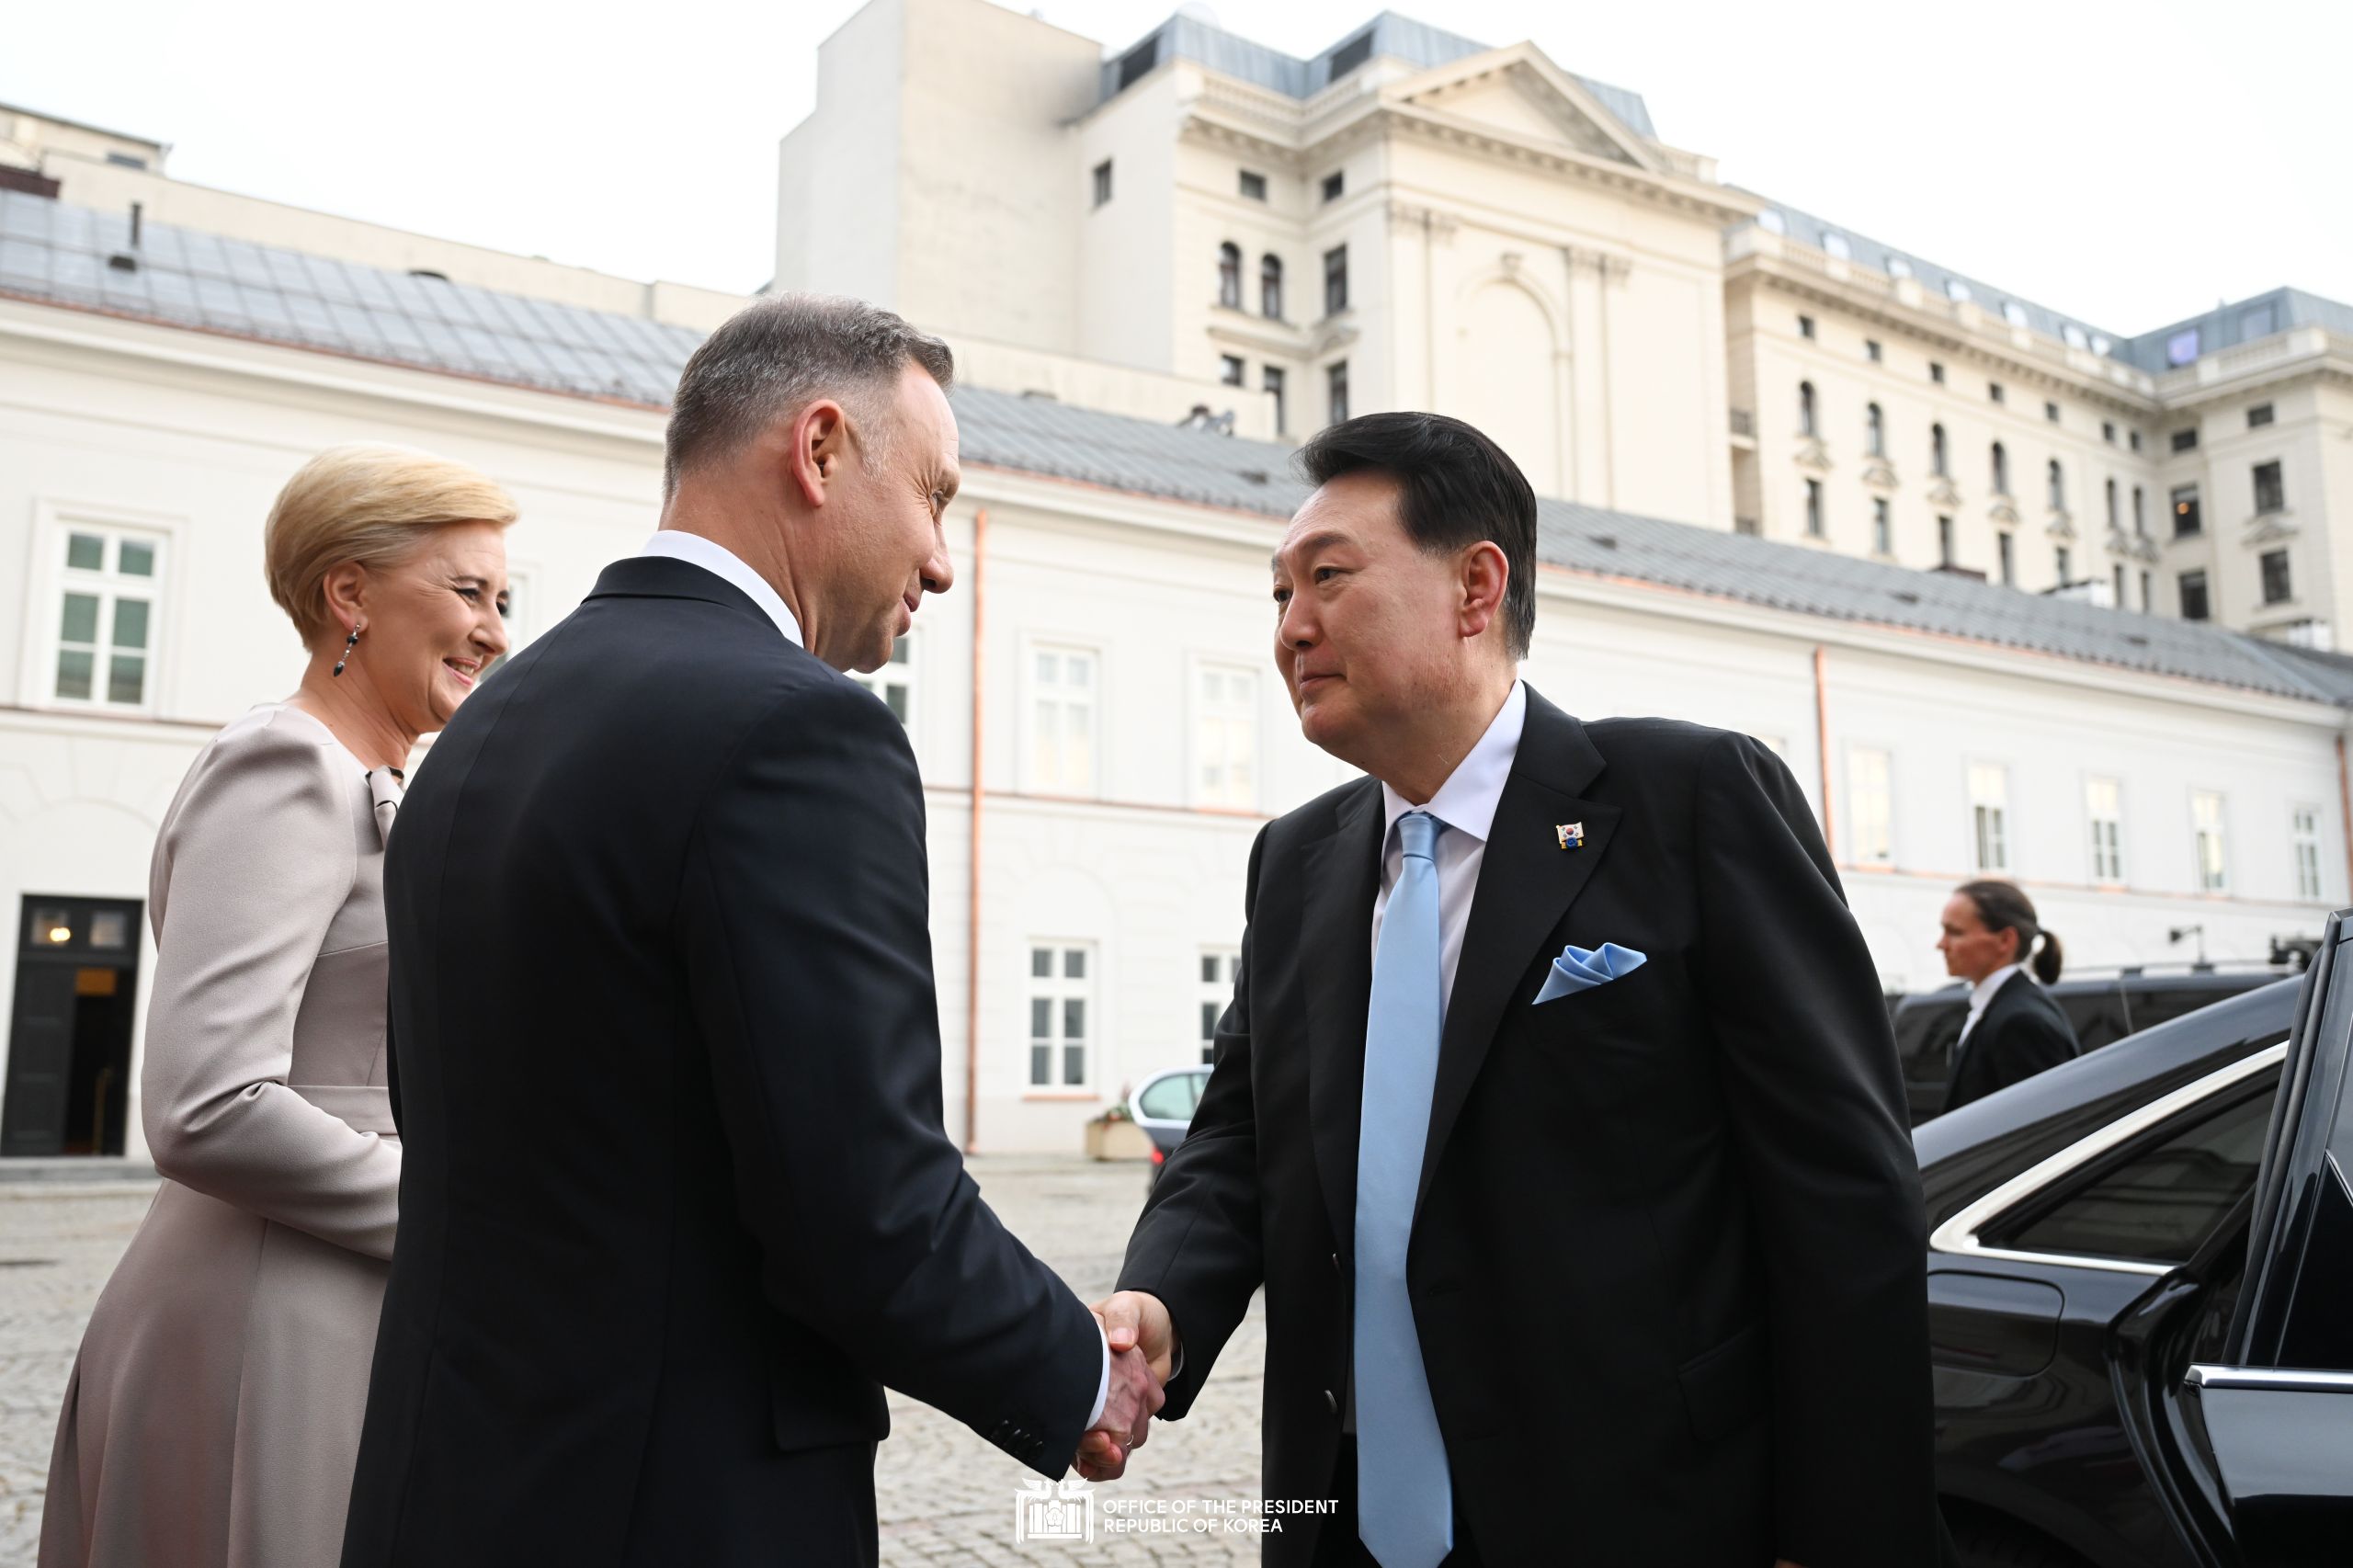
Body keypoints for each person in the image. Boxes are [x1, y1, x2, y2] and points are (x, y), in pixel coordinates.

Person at [339, 295, 1159, 1568]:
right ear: (820, 450)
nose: (942, 560)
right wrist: (1071, 1373)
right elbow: (863, 1204)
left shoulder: (487, 727)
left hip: (448, 1482)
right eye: (935, 495)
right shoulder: (798, 730)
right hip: (676, 1501)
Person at [1085, 412, 1947, 1567]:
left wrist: (1836, 1534)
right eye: (1277, 594)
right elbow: (1239, 1137)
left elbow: (1842, 1201)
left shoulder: (1689, 801)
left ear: (1476, 587)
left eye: (1327, 578)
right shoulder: (1293, 862)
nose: (1292, 627)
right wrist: (1161, 1301)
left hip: (1644, 1514)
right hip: (1342, 1517)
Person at [40, 445, 517, 1568]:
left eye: (503, 598)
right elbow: (207, 1099)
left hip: (344, 1291)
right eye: (466, 591)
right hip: (270, 1311)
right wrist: (470, 1217)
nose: (495, 630)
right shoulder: (285, 765)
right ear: (347, 593)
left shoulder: (381, 779)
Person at [1936, 880, 2077, 1113]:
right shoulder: (2001, 1008)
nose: (1941, 944)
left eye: (1955, 932)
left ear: (2005, 940)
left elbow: (2041, 1125)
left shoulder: (2021, 1020)